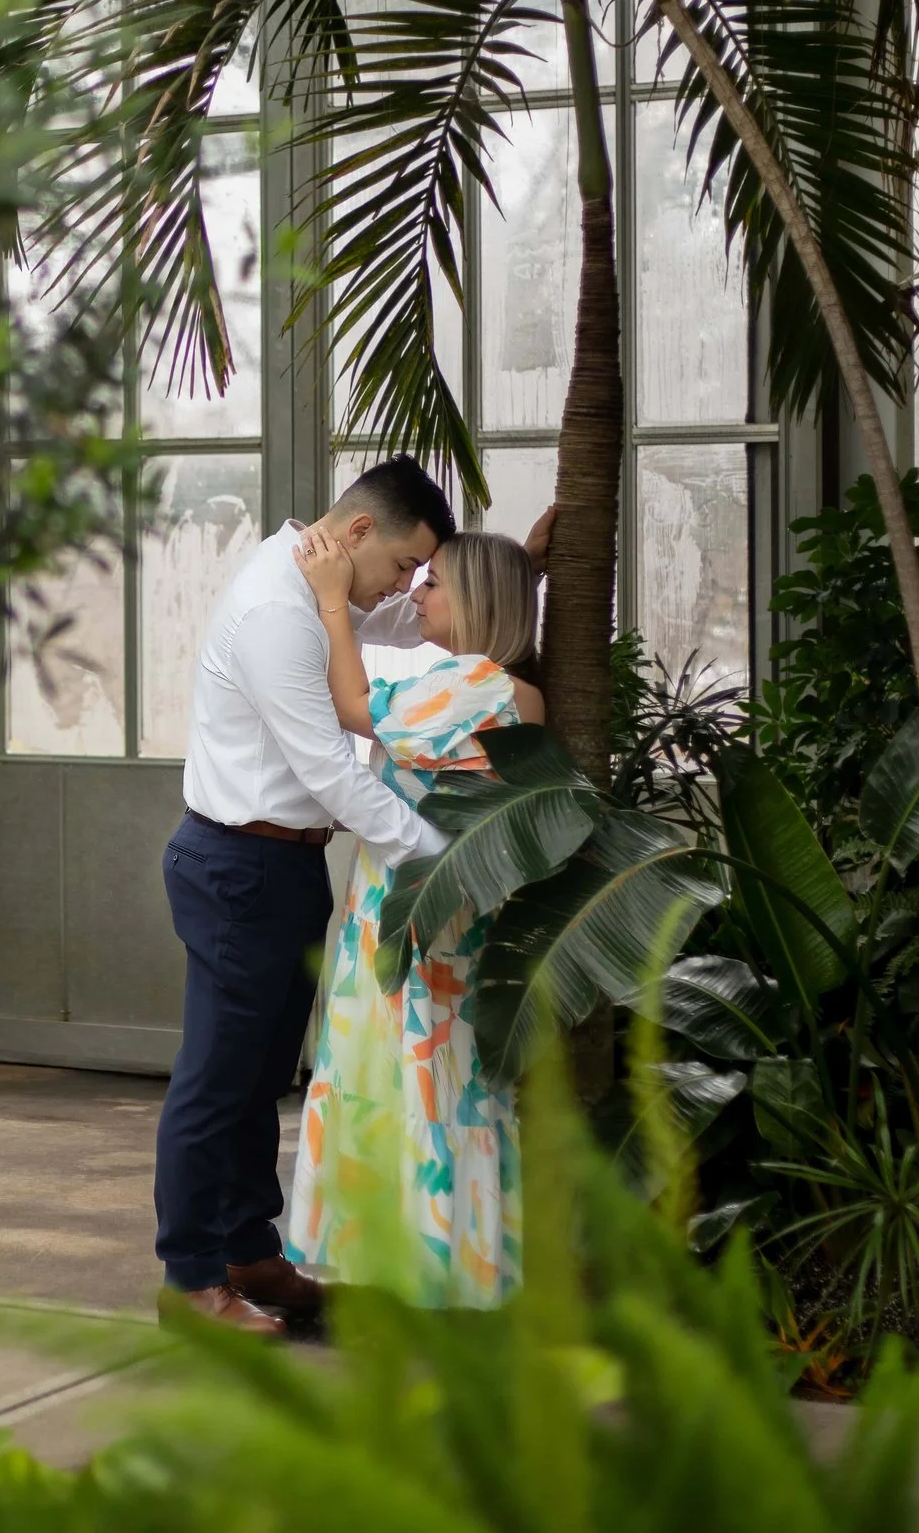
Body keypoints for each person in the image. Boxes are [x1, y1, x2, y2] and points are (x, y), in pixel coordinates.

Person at [154, 455, 463, 1338]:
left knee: (260, 1073)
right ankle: (189, 1280)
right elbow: (328, 768)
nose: (408, 587)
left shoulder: (322, 588)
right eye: (406, 564)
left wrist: (522, 569)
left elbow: (397, 617)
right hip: (237, 866)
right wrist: (435, 853)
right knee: (217, 1079)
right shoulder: (275, 613)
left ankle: (249, 1251)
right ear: (359, 532)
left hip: (280, 867)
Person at [283, 525, 544, 1309]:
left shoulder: (473, 683)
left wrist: (333, 604)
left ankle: (421, 1277)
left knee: (404, 1084)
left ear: (477, 603)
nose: (417, 594)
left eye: (434, 584)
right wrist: (530, 559)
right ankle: (454, 1263)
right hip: (455, 918)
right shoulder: (511, 689)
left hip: (414, 923)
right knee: (451, 1089)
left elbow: (352, 704)